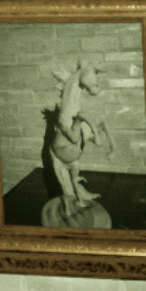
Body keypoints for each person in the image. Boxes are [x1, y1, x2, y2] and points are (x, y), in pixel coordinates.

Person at [45, 63, 114, 218]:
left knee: (74, 179)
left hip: (73, 158)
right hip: (61, 156)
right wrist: (85, 125)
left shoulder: (75, 109)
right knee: (67, 190)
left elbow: (81, 137)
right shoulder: (64, 117)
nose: (96, 86)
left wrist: (97, 133)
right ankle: (68, 210)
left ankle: (80, 197)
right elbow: (74, 137)